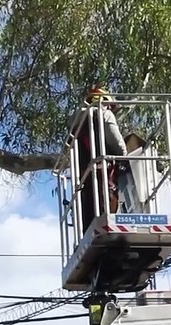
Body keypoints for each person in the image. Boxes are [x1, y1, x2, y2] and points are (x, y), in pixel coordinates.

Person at [68, 85, 129, 233]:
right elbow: (118, 146)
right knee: (105, 215)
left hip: (85, 180)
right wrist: (126, 158)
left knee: (90, 222)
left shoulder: (75, 125)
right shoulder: (104, 114)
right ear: (106, 103)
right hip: (103, 177)